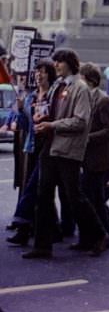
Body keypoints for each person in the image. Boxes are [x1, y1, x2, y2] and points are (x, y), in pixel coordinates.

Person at [23, 49, 109, 258]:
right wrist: (40, 116)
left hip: (68, 149)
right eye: (55, 62)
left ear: (70, 63)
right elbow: (51, 110)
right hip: (51, 147)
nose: (56, 65)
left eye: (59, 62)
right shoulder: (57, 86)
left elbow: (81, 121)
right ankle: (42, 246)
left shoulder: (80, 88)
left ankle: (98, 234)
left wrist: (52, 125)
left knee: (74, 197)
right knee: (43, 197)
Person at [6, 60, 57, 245]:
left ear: (49, 74)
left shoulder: (54, 95)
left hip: (50, 147)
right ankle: (46, 228)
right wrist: (20, 111)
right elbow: (23, 125)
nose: (38, 76)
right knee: (36, 188)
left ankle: (24, 226)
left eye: (42, 72)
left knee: (36, 189)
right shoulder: (31, 97)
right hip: (32, 146)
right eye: (36, 73)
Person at [79, 63, 109, 244]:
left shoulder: (103, 101)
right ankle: (87, 237)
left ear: (90, 80)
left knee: (96, 200)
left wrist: (88, 138)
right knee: (86, 198)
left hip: (99, 159)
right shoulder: (83, 99)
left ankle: (102, 237)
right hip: (84, 157)